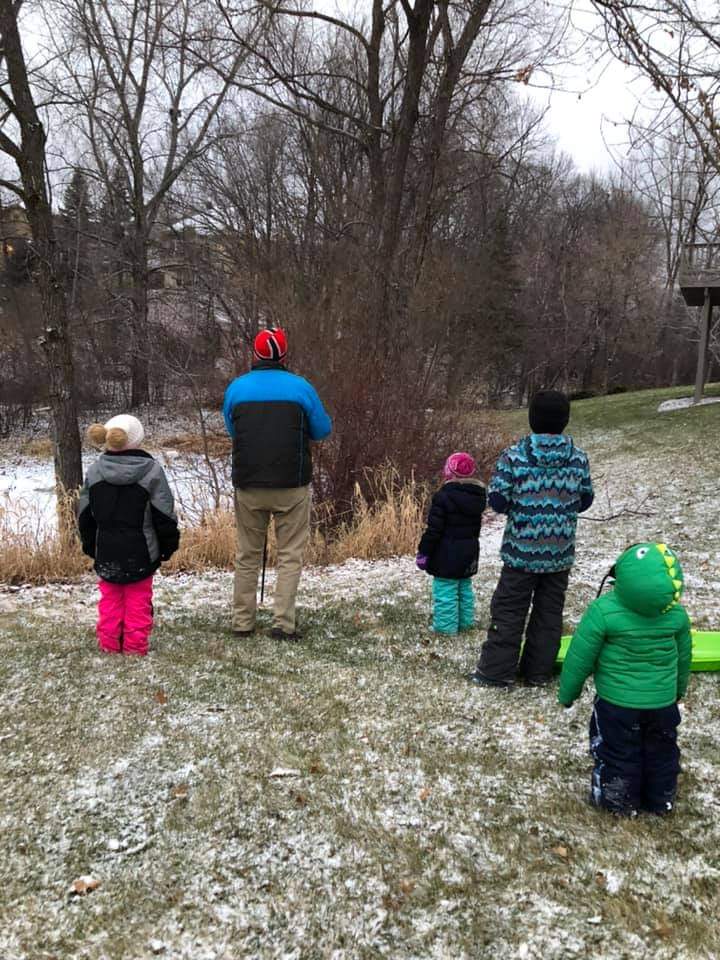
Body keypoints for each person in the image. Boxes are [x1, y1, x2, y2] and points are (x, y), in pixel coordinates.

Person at [470, 390, 593, 688]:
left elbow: (497, 500)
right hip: (559, 554)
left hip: (521, 553)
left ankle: (495, 672)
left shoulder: (514, 456)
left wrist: (523, 507)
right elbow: (586, 499)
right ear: (565, 420)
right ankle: (538, 671)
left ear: (532, 418)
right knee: (549, 614)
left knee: (509, 611)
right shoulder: (578, 459)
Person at [558, 542, 692, 817]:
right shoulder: (676, 613)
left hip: (616, 704)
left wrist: (568, 692)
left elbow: (580, 656)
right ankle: (660, 797)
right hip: (662, 703)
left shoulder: (604, 610)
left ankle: (618, 800)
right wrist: (678, 690)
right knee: (661, 749)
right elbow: (684, 657)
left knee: (617, 750)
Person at [223, 328, 332, 641]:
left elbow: (233, 429)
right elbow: (322, 430)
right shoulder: (301, 388)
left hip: (248, 483)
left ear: (255, 355)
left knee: (247, 555)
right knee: (290, 556)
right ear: (284, 355)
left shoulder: (237, 388)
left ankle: (242, 622)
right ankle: (283, 623)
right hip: (291, 484)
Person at [78, 414, 179, 656]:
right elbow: (164, 513)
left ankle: (110, 643)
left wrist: (91, 545)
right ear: (137, 439)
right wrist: (168, 544)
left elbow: (84, 514)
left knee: (110, 598)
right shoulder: (151, 471)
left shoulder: (95, 471)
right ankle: (135, 646)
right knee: (138, 600)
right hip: (142, 550)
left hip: (106, 548)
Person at [416, 452, 486, 635]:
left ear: (449, 472)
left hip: (446, 554)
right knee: (464, 589)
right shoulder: (478, 497)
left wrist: (424, 552)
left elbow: (434, 530)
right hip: (469, 551)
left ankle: (446, 629)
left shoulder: (443, 497)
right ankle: (466, 623)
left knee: (446, 589)